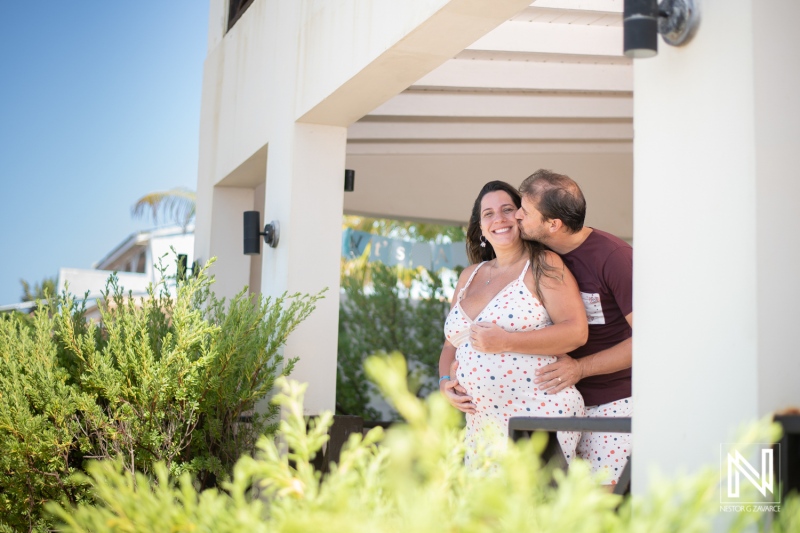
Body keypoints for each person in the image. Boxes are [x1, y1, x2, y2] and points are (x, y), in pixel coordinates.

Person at [468, 169, 633, 485]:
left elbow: (650, 341)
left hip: (612, 401)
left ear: (553, 224)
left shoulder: (615, 259)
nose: (516, 215)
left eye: (525, 211)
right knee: (549, 502)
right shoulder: (536, 255)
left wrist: (580, 369)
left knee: (599, 505)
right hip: (553, 403)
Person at [438, 180, 588, 466]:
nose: (500, 219)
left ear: (521, 216)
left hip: (538, 412)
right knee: (483, 510)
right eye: (489, 214)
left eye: (508, 209)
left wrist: (507, 341)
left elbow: (576, 332)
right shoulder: (469, 275)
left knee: (532, 508)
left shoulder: (543, 264)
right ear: (480, 226)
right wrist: (445, 382)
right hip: (482, 423)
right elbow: (450, 345)